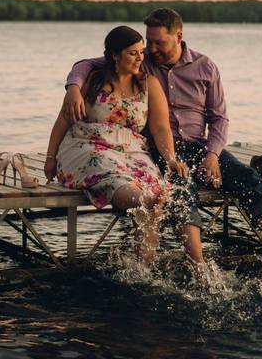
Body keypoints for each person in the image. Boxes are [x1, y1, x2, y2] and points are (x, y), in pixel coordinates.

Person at [62, 8, 262, 277]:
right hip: (159, 149)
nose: (151, 49)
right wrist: (73, 87)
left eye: (158, 42)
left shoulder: (205, 66)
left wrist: (212, 156)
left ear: (179, 36)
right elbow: (88, 64)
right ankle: (197, 263)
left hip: (200, 147)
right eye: (148, 41)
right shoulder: (141, 63)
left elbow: (220, 118)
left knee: (246, 177)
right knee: (181, 185)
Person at [44, 25, 193, 266]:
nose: (140, 58)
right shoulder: (90, 80)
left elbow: (161, 128)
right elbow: (63, 120)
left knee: (156, 193)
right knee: (126, 184)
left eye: (141, 52)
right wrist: (50, 158)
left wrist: (171, 159)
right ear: (115, 55)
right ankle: (142, 205)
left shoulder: (149, 84)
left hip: (132, 150)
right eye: (133, 53)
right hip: (87, 146)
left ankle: (143, 268)